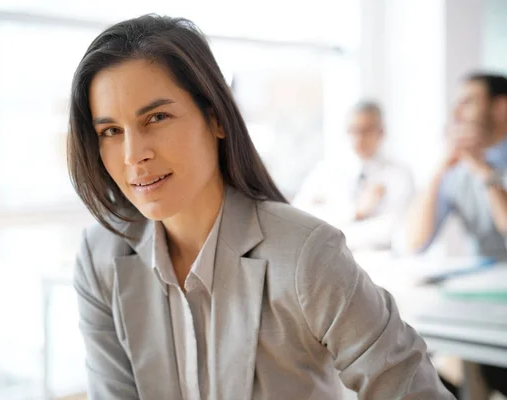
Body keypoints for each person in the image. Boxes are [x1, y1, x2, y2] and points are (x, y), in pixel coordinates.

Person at [67, 15, 453, 399]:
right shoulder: (100, 257)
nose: (134, 155)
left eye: (157, 117)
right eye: (111, 132)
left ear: (215, 117)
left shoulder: (306, 254)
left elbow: (413, 390)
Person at [405, 73, 507, 397]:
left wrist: (486, 175)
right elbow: (414, 242)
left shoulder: (479, 168)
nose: (457, 112)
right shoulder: (458, 169)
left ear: (501, 108)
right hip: (485, 313)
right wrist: (439, 170)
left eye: (468, 101)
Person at [293, 101, 414, 251]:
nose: (359, 138)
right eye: (353, 130)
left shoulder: (399, 175)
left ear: (381, 132)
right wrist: (354, 212)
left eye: (366, 130)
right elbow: (300, 217)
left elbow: (393, 230)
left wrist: (332, 230)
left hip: (381, 261)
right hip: (332, 262)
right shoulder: (326, 172)